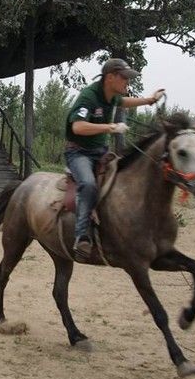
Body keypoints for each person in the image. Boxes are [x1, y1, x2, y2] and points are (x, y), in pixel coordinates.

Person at [64, 58, 165, 258]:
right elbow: (78, 126)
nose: (128, 82)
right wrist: (110, 127)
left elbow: (124, 102)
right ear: (110, 77)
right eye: (125, 78)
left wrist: (149, 100)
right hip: (79, 153)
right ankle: (82, 235)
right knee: (89, 184)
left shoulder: (111, 96)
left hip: (101, 152)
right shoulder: (89, 97)